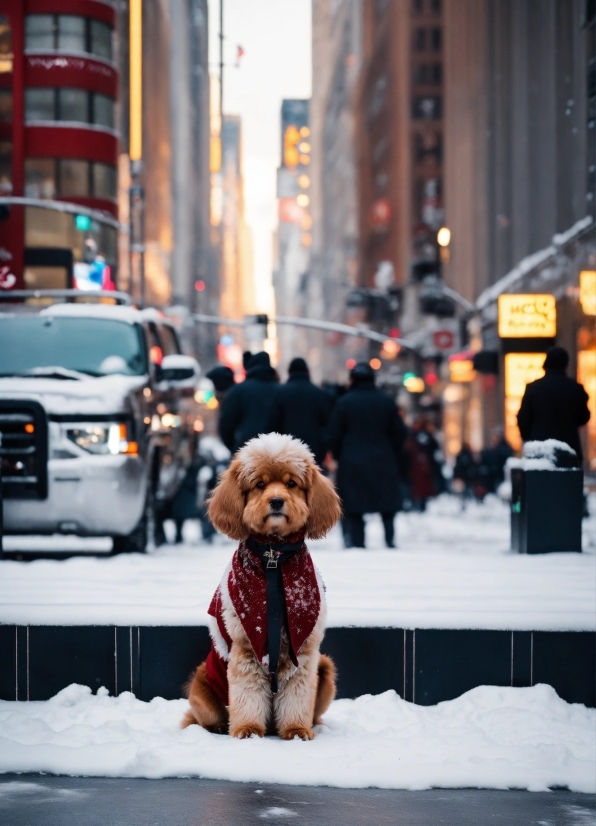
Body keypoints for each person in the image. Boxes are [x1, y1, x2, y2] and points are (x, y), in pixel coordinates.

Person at [328, 361, 407, 548]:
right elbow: (400, 432)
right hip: (383, 459)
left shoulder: (344, 402)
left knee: (354, 506)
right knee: (387, 504)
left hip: (352, 461)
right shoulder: (386, 402)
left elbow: (333, 435)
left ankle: (357, 543)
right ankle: (389, 539)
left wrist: (341, 455)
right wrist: (391, 451)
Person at [517, 346, 590, 465]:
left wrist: (530, 438)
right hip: (569, 450)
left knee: (541, 482)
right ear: (566, 365)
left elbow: (523, 420)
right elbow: (584, 417)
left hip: (539, 451)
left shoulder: (533, 389)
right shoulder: (576, 388)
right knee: (568, 482)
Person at [266, 357, 334, 466]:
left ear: (288, 372)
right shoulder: (320, 394)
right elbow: (329, 426)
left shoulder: (280, 394)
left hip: (287, 451)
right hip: (313, 451)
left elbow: (272, 425)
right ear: (308, 372)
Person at [218, 351, 279, 453]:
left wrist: (235, 449)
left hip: (248, 452)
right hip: (277, 452)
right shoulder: (281, 391)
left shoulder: (238, 391)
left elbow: (226, 425)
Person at [403, 416, 440, 511]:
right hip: (416, 466)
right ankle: (415, 503)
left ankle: (420, 504)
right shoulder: (414, 435)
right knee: (416, 486)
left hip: (422, 466)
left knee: (421, 487)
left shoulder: (422, 435)